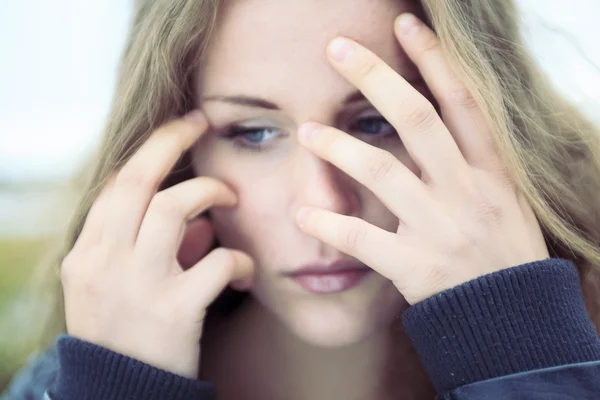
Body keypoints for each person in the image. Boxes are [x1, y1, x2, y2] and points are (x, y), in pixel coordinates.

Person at [3, 0, 600, 399]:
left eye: (375, 122)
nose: (326, 210)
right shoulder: (70, 382)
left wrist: (524, 355)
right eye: (253, 133)